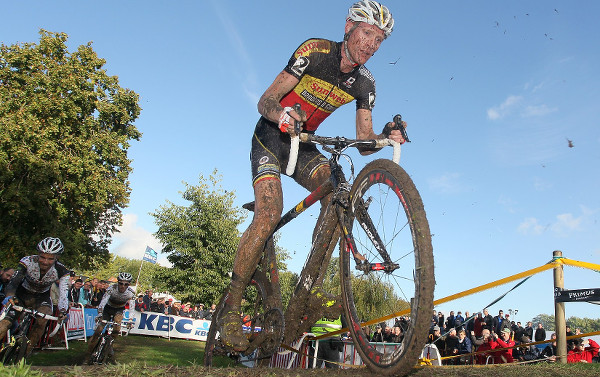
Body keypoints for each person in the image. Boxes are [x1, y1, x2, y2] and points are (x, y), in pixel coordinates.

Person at [219, 1, 403, 353]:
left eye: (379, 40)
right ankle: (232, 305)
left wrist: (387, 132)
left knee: (338, 193)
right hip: (272, 138)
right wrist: (282, 114)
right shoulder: (314, 51)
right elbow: (266, 100)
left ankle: (308, 287)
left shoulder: (365, 83)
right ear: (349, 26)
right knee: (269, 213)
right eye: (367, 33)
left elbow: (364, 144)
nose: (371, 45)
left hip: (305, 147)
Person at [0, 237, 70, 355]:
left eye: (50, 259)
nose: (45, 261)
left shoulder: (62, 270)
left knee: (43, 319)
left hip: (41, 298)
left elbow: (64, 293)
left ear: (56, 258)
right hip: (22, 294)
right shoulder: (27, 261)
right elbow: (14, 281)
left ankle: (24, 354)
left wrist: (63, 310)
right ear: (38, 254)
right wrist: (10, 296)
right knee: (5, 324)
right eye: (42, 257)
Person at [87, 272, 136, 356]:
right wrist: (99, 313)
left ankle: (110, 345)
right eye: (121, 283)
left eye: (126, 284)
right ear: (118, 282)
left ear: (129, 284)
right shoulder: (112, 288)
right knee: (99, 330)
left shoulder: (131, 293)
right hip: (107, 308)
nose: (123, 286)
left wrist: (130, 320)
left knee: (117, 328)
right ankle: (88, 353)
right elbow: (103, 302)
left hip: (119, 309)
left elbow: (132, 308)